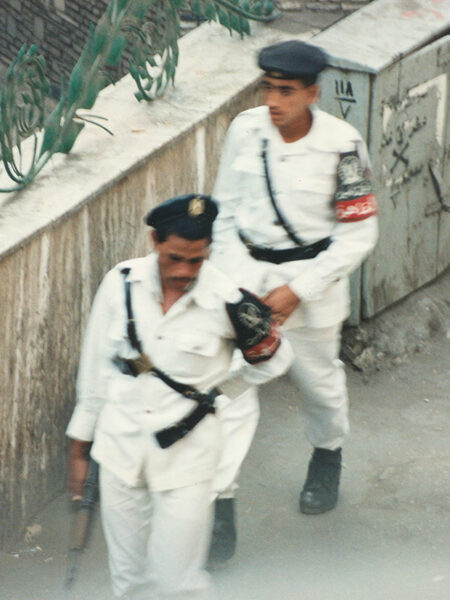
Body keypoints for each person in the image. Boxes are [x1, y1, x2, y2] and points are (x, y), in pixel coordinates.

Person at [66, 193, 293, 600]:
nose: (185, 270)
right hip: (120, 450)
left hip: (186, 458)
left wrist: (220, 395)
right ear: (154, 240)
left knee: (177, 583)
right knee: (129, 582)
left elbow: (276, 358)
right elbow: (96, 368)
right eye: (175, 257)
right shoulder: (121, 284)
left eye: (197, 259)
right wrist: (80, 448)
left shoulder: (229, 302)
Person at [209, 40, 378, 556]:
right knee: (231, 393)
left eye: (286, 91)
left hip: (313, 286)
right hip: (246, 280)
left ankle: (327, 455)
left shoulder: (342, 146)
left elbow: (358, 235)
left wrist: (298, 290)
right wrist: (233, 286)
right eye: (268, 87)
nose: (273, 100)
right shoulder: (246, 130)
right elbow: (224, 212)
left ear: (312, 92)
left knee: (319, 387)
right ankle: (222, 508)